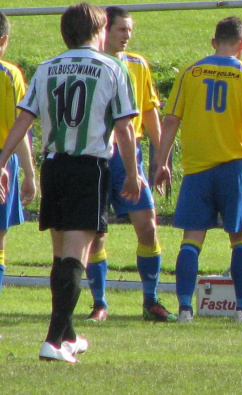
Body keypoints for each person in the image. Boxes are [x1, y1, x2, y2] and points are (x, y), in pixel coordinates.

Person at [0, 2, 140, 363]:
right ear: (99, 30)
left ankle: (69, 335)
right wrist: (134, 173)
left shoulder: (47, 68)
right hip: (88, 168)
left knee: (61, 257)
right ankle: (52, 341)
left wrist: (0, 160)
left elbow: (23, 122)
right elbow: (124, 128)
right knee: (76, 258)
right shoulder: (112, 67)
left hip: (54, 167)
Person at [155, 16, 242, 324]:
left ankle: (186, 309)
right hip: (235, 166)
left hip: (197, 168)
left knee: (191, 239)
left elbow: (172, 119)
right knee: (241, 237)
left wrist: (162, 161)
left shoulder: (190, 72)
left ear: (213, 42)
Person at [84, 6, 174, 323]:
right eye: (122, 29)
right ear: (105, 30)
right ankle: (100, 303)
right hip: (96, 155)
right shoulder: (90, 64)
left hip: (128, 156)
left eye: (130, 30)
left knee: (148, 227)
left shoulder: (137, 65)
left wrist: (161, 158)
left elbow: (149, 112)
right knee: (96, 233)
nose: (127, 36)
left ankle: (151, 301)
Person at [0, 11, 37, 340]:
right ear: (4, 41)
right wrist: (29, 174)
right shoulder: (10, 73)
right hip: (3, 162)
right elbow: (20, 127)